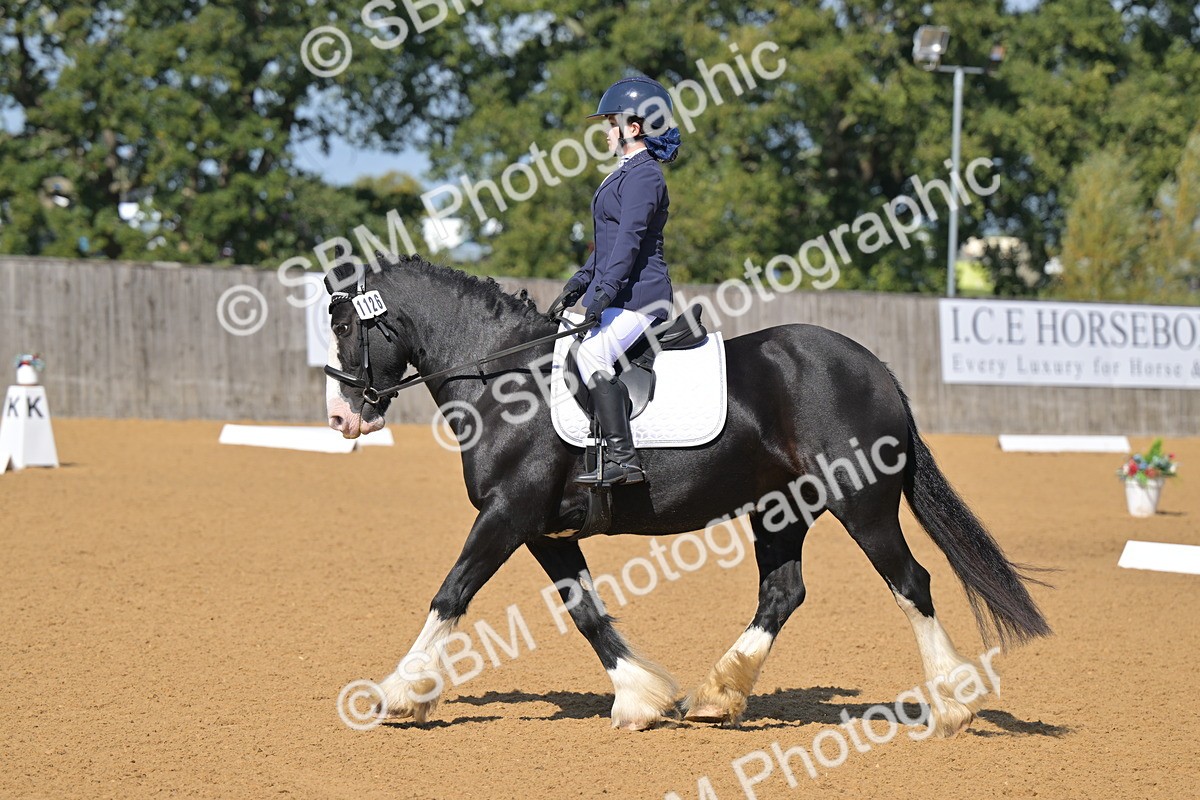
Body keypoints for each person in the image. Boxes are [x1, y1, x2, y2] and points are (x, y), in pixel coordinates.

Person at [558, 76, 682, 486]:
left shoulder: (645, 176)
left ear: (634, 128)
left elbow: (629, 243)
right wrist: (581, 281)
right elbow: (608, 244)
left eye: (612, 123)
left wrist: (604, 292)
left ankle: (624, 460)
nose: (606, 131)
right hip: (619, 296)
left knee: (591, 356)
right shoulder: (625, 173)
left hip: (642, 299)